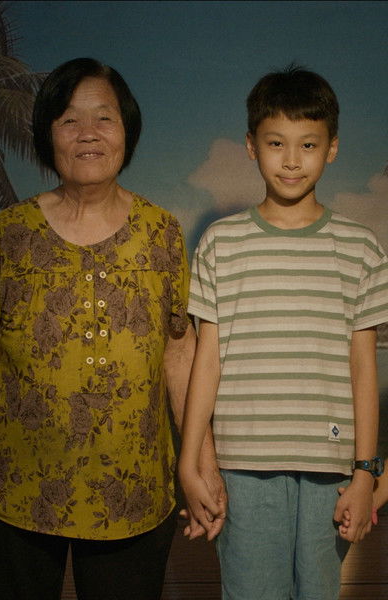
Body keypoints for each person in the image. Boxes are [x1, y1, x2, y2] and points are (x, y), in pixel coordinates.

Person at [0, 57, 223, 600]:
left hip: (133, 493)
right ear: (47, 135)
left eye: (104, 118)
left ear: (127, 131)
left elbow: (179, 357)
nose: (88, 133)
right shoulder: (7, 235)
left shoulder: (161, 234)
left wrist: (203, 464)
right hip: (17, 494)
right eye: (69, 120)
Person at [178, 65, 388, 600]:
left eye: (308, 144)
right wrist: (189, 459)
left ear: (331, 149)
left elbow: (364, 366)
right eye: (276, 143)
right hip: (242, 465)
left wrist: (366, 473)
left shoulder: (360, 248)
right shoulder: (221, 243)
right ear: (252, 146)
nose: (292, 160)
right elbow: (207, 359)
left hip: (330, 469)